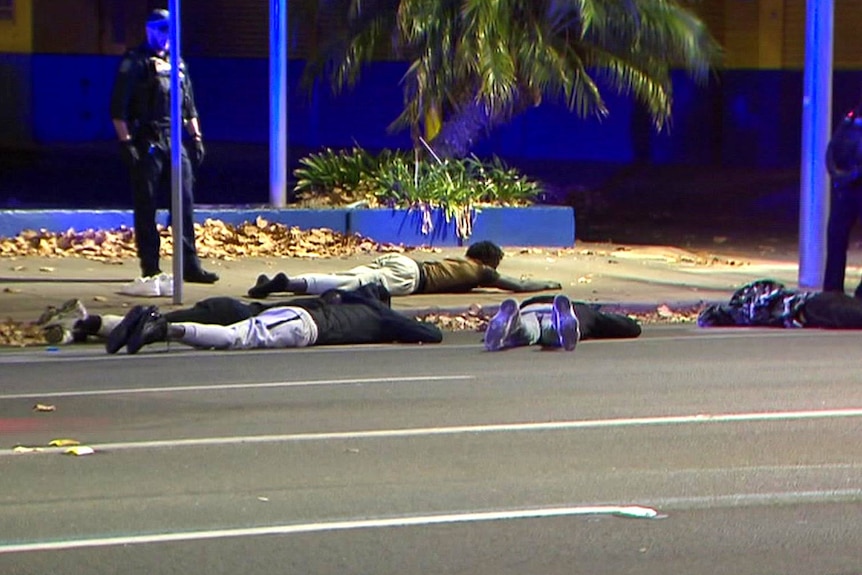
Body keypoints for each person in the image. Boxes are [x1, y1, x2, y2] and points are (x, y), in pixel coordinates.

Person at [110, 8, 218, 284]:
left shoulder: (178, 63)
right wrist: (126, 143)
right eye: (162, 30)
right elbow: (118, 108)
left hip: (175, 139)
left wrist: (196, 137)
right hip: (148, 140)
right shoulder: (136, 62)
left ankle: (189, 264)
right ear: (149, 30)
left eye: (171, 30)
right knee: (146, 204)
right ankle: (151, 265)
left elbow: (189, 106)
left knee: (184, 201)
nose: (168, 36)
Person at [36, 285, 442, 354]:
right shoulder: (379, 315)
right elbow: (430, 334)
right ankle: (162, 329)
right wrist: (394, 320)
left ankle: (92, 324)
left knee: (229, 325)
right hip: (304, 327)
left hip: (275, 311)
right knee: (236, 339)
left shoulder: (338, 297)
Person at [247, 241, 562, 298]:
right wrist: (548, 283)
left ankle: (287, 282)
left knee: (350, 276)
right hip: (412, 278)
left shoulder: (459, 262)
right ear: (490, 261)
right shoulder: (483, 272)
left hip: (405, 261)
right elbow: (518, 287)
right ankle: (288, 284)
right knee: (347, 286)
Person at [483, 293, 642, 352]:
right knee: (551, 332)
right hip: (557, 314)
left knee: (527, 330)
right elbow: (630, 327)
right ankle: (560, 324)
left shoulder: (532, 300)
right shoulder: (586, 311)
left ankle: (514, 322)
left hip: (529, 308)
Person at [697, 278, 862, 329]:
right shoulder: (751, 307)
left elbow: (709, 317)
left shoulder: (747, 308)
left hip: (812, 306)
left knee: (850, 313)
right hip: (813, 305)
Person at [823, 102, 862, 297]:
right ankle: (832, 288)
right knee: (836, 234)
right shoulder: (852, 115)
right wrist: (838, 175)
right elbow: (833, 148)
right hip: (848, 188)